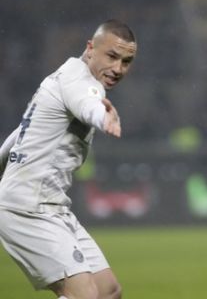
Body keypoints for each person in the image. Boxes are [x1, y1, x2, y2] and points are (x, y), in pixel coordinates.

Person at [0, 19, 137, 299]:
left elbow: (21, 134)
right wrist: (103, 116)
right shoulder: (81, 82)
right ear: (90, 48)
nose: (118, 68)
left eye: (126, 61)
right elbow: (89, 103)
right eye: (112, 56)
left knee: (108, 291)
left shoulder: (61, 78)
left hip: (51, 206)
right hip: (28, 207)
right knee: (84, 295)